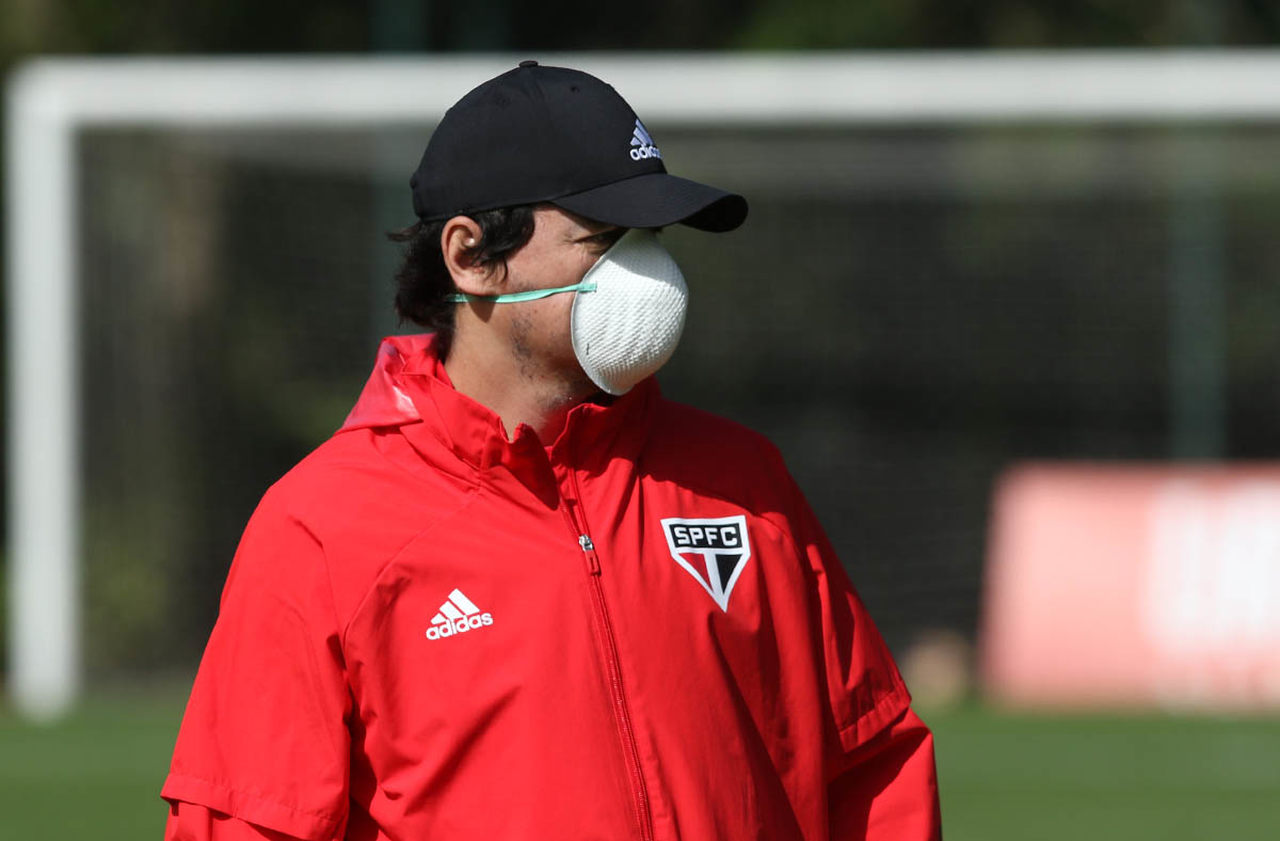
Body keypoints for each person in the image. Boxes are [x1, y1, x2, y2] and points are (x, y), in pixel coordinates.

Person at [162, 61, 941, 841]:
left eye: (649, 238)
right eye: (601, 239)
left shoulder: (742, 478)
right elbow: (242, 826)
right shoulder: (321, 526)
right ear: (470, 256)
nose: (649, 275)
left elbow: (873, 768)